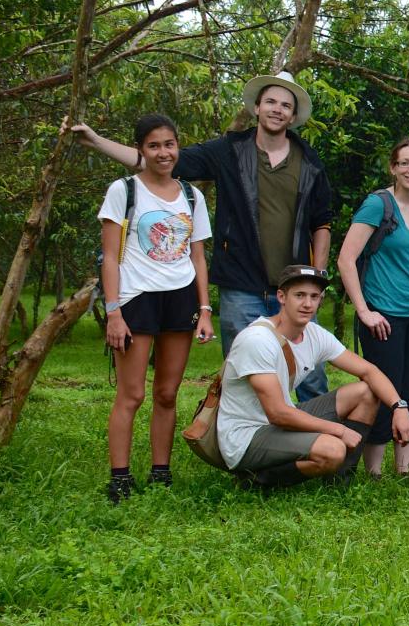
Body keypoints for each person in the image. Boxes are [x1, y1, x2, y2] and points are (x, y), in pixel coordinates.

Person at [71, 71, 334, 401]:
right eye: (270, 101)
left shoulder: (310, 162)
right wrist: (97, 141)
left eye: (285, 105)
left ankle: (320, 449)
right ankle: (248, 450)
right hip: (242, 284)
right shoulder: (230, 150)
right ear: (256, 107)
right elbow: (162, 159)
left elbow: (321, 223)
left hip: (296, 285)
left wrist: (316, 278)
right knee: (244, 376)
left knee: (310, 375)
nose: (276, 109)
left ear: (293, 116)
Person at [96, 114, 215, 502]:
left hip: (180, 298)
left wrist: (205, 308)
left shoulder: (192, 196)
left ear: (178, 147)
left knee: (167, 393)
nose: (163, 153)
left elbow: (198, 257)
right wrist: (113, 311)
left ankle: (161, 473)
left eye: (169, 145)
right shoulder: (124, 190)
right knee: (131, 395)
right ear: (140, 151)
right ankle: (120, 477)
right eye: (153, 146)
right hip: (136, 298)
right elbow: (110, 258)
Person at [215, 265, 409, 488]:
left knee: (366, 392)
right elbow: (278, 414)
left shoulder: (313, 333)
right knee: (333, 449)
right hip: (246, 437)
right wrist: (339, 430)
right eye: (299, 295)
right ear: (281, 297)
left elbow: (369, 371)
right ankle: (256, 480)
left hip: (280, 421)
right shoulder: (257, 340)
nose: (308, 304)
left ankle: (339, 482)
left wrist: (399, 407)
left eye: (314, 296)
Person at [335, 138, 409, 478]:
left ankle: (404, 471)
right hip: (383, 313)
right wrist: (363, 310)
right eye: (405, 163)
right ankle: (375, 472)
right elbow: (346, 259)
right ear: (393, 168)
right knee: (383, 389)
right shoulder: (377, 205)